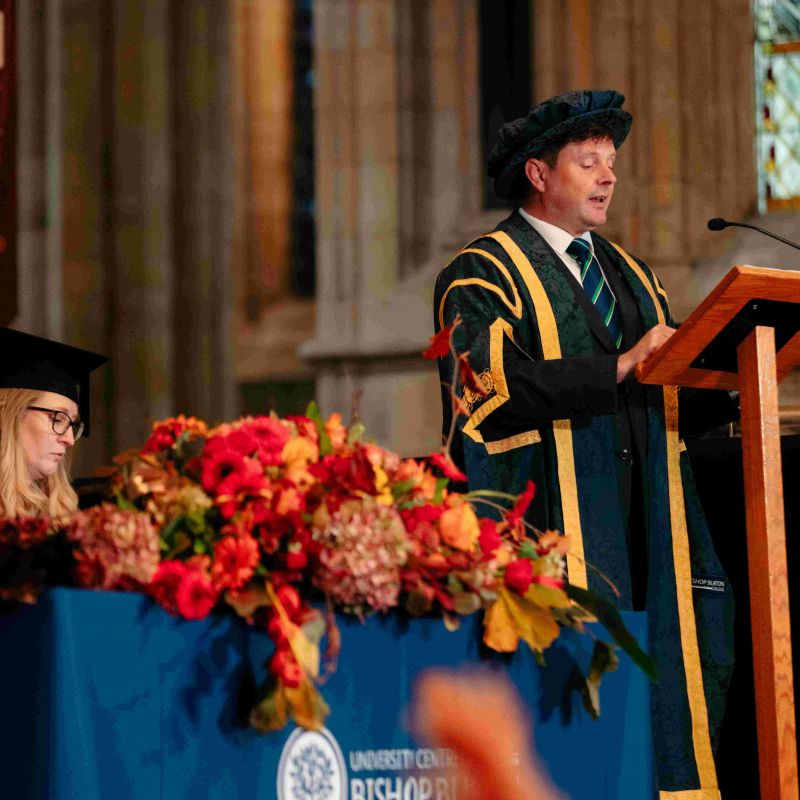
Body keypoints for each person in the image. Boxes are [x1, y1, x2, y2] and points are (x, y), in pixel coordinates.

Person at [433, 91, 736, 797]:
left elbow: (661, 398)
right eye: (589, 161)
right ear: (539, 173)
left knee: (655, 722)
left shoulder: (633, 276)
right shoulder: (482, 273)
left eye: (612, 162)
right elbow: (486, 390)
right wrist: (618, 365)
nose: (609, 176)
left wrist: (732, 380)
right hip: (552, 538)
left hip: (647, 533)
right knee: (576, 732)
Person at [0, 327, 107, 518]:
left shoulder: (66, 517)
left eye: (72, 425)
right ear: (12, 415)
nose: (70, 440)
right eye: (57, 419)